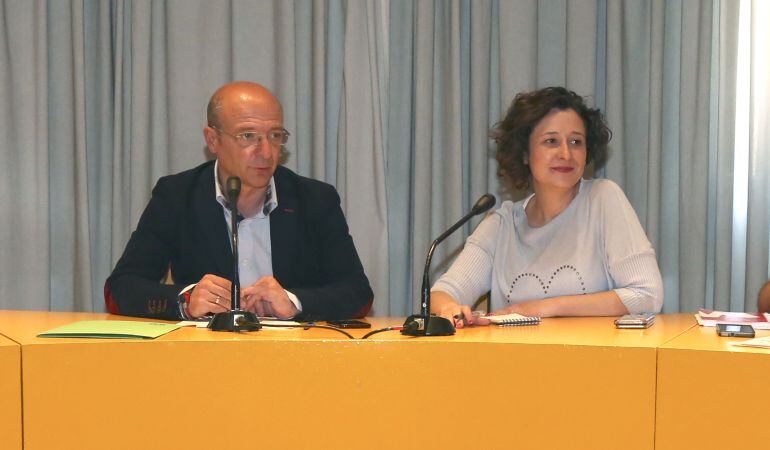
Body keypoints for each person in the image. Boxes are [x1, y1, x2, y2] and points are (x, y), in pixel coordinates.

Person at [105, 81, 373, 321]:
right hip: (206, 360)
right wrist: (185, 301)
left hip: (294, 358)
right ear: (213, 140)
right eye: (248, 136)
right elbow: (121, 289)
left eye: (275, 136)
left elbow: (358, 293)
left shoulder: (315, 199)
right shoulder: (177, 195)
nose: (266, 152)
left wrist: (294, 303)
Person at [431, 87, 663, 328]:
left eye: (576, 142)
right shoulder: (501, 225)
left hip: (591, 362)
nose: (566, 153)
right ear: (524, 154)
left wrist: (543, 308)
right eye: (551, 141)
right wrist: (449, 308)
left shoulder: (603, 199)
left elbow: (647, 295)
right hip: (513, 362)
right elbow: (444, 292)